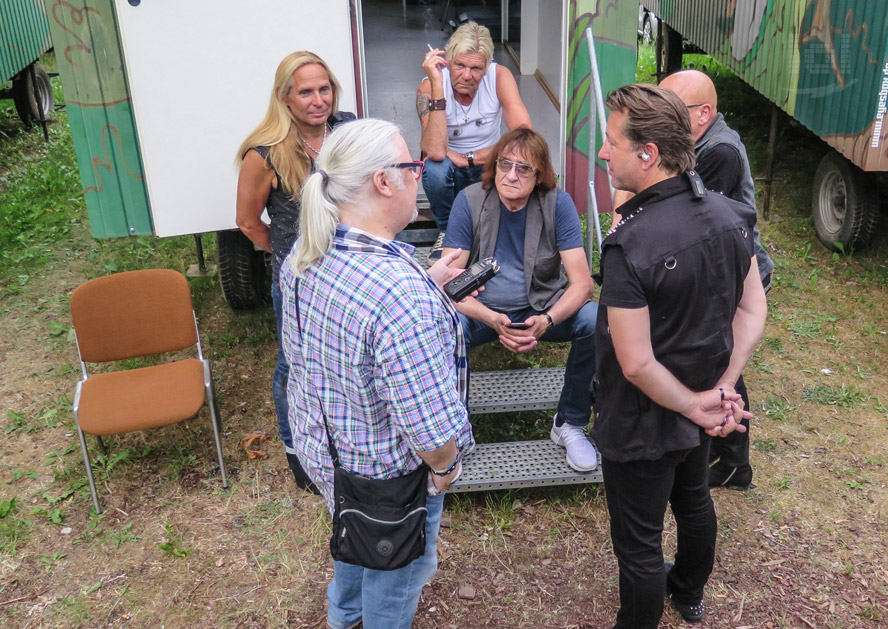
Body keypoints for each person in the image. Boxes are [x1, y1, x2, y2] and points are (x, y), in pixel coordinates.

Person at [279, 118, 475, 629]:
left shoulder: (304, 257)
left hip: (334, 462)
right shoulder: (397, 294)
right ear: (384, 182)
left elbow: (315, 358)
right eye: (412, 167)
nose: (418, 176)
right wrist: (444, 471)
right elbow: (431, 432)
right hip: (393, 486)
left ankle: (342, 619)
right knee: (395, 582)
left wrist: (425, 284)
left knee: (352, 546)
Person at [594, 84, 766, 627]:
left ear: (647, 154)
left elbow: (636, 363)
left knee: (640, 543)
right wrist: (720, 388)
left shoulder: (630, 247)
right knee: (694, 502)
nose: (603, 152)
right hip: (703, 403)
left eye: (610, 141)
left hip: (644, 418)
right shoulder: (730, 216)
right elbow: (751, 312)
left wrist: (696, 404)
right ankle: (688, 592)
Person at [441, 128, 599, 472]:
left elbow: (583, 284)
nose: (511, 175)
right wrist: (489, 317)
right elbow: (448, 287)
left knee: (595, 321)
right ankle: (452, 429)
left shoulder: (558, 203)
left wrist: (549, 319)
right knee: (442, 325)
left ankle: (569, 423)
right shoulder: (469, 200)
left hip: (540, 308)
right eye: (504, 164)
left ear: (539, 175)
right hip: (483, 313)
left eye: (523, 168)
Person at [234, 51, 355, 492]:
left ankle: (347, 443)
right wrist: (288, 255)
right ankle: (296, 451)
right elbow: (248, 222)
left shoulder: (347, 130)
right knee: (295, 364)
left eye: (324, 89)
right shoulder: (263, 153)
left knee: (347, 358)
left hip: (350, 270)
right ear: (285, 97)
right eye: (306, 91)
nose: (318, 100)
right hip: (301, 280)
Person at [659, 69, 774, 491]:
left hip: (736, 276)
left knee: (724, 362)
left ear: (703, 114)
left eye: (671, 108)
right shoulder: (695, 143)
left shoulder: (719, 152)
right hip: (716, 269)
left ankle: (733, 463)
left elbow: (698, 221)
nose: (661, 115)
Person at [417, 21, 532, 238]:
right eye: (460, 65)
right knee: (435, 169)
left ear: (487, 66)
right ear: (448, 61)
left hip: (489, 161)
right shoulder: (429, 87)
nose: (467, 76)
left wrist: (470, 158)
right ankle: (448, 233)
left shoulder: (499, 77)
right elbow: (436, 151)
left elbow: (524, 134)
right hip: (450, 165)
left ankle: (495, 230)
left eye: (476, 68)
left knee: (521, 159)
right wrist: (437, 85)